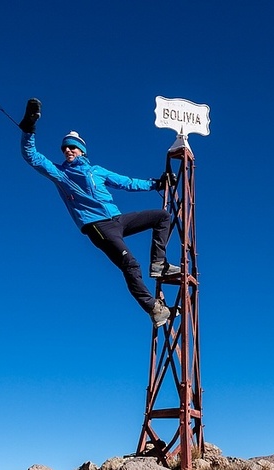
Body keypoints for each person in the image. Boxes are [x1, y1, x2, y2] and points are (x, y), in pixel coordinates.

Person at [17, 98, 178, 326]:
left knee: (162, 217)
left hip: (118, 219)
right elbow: (32, 156)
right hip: (98, 226)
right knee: (130, 265)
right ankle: (153, 308)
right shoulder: (61, 174)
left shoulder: (96, 171)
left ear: (82, 150)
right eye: (65, 148)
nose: (68, 150)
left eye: (72, 147)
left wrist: (157, 184)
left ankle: (159, 263)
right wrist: (29, 128)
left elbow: (126, 182)